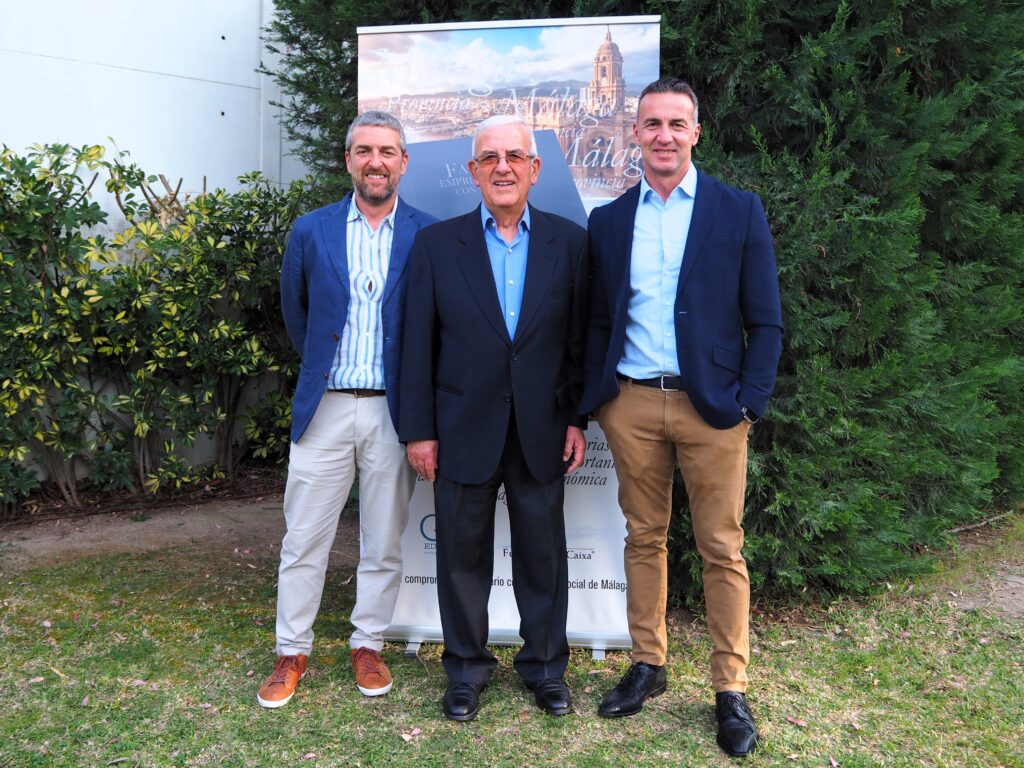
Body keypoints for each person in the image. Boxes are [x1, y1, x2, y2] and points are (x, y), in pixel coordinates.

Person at [580, 77, 783, 757]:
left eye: (676, 123)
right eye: (652, 123)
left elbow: (766, 320)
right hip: (632, 402)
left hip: (713, 408)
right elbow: (597, 318)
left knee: (722, 547)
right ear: (635, 133)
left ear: (696, 132)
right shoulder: (609, 221)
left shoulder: (737, 210)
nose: (663, 135)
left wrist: (749, 401)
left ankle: (730, 688)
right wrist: (601, 397)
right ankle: (649, 664)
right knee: (644, 537)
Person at [399, 115, 588, 722]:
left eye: (514, 157)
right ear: (473, 170)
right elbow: (416, 345)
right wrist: (420, 430)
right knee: (460, 557)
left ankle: (545, 668)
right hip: (460, 427)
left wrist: (577, 417)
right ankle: (465, 670)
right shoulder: (436, 246)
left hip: (542, 427)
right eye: (490, 158)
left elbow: (579, 341)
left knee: (543, 556)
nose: (502, 167)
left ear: (535, 169)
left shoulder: (571, 242)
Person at [257, 111, 436, 708]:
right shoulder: (311, 230)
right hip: (326, 408)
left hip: (393, 412)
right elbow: (297, 313)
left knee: (382, 541)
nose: (375, 162)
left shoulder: (429, 234)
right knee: (304, 538)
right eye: (364, 151)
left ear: (403, 162)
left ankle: (368, 644)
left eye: (386, 151)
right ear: (348, 160)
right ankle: (292, 651)